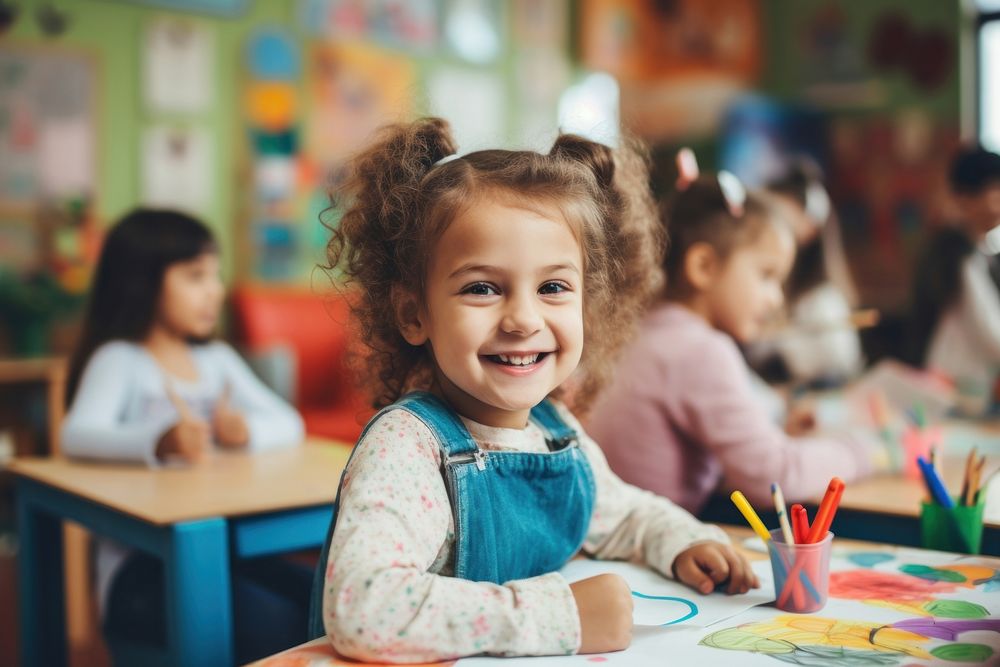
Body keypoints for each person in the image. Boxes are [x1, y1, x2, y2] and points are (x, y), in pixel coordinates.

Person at [310, 118, 758, 663]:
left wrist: (685, 540)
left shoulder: (555, 433)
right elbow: (364, 608)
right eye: (482, 288)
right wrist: (559, 616)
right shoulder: (408, 448)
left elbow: (626, 515)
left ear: (586, 302)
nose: (523, 319)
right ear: (413, 313)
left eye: (552, 287)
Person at [62, 208, 306, 662]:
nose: (214, 291)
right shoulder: (121, 359)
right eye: (196, 277)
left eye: (215, 276)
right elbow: (76, 435)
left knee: (320, 600)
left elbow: (290, 423)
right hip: (140, 573)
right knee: (274, 623)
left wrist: (243, 432)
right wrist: (158, 441)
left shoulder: (216, 360)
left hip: (222, 553)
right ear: (143, 281)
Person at [586, 151, 891, 515]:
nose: (775, 298)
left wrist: (777, 425)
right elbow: (773, 476)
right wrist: (865, 451)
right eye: (766, 275)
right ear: (704, 266)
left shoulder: (644, 328)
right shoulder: (698, 349)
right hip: (648, 548)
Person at [750, 157, 864, 387]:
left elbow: (840, 369)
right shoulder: (766, 290)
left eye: (782, 220)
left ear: (810, 229)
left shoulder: (823, 302)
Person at [907, 145, 1000, 416]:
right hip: (955, 390)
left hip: (965, 388)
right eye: (992, 190)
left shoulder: (978, 252)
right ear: (963, 197)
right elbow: (991, 335)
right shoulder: (955, 253)